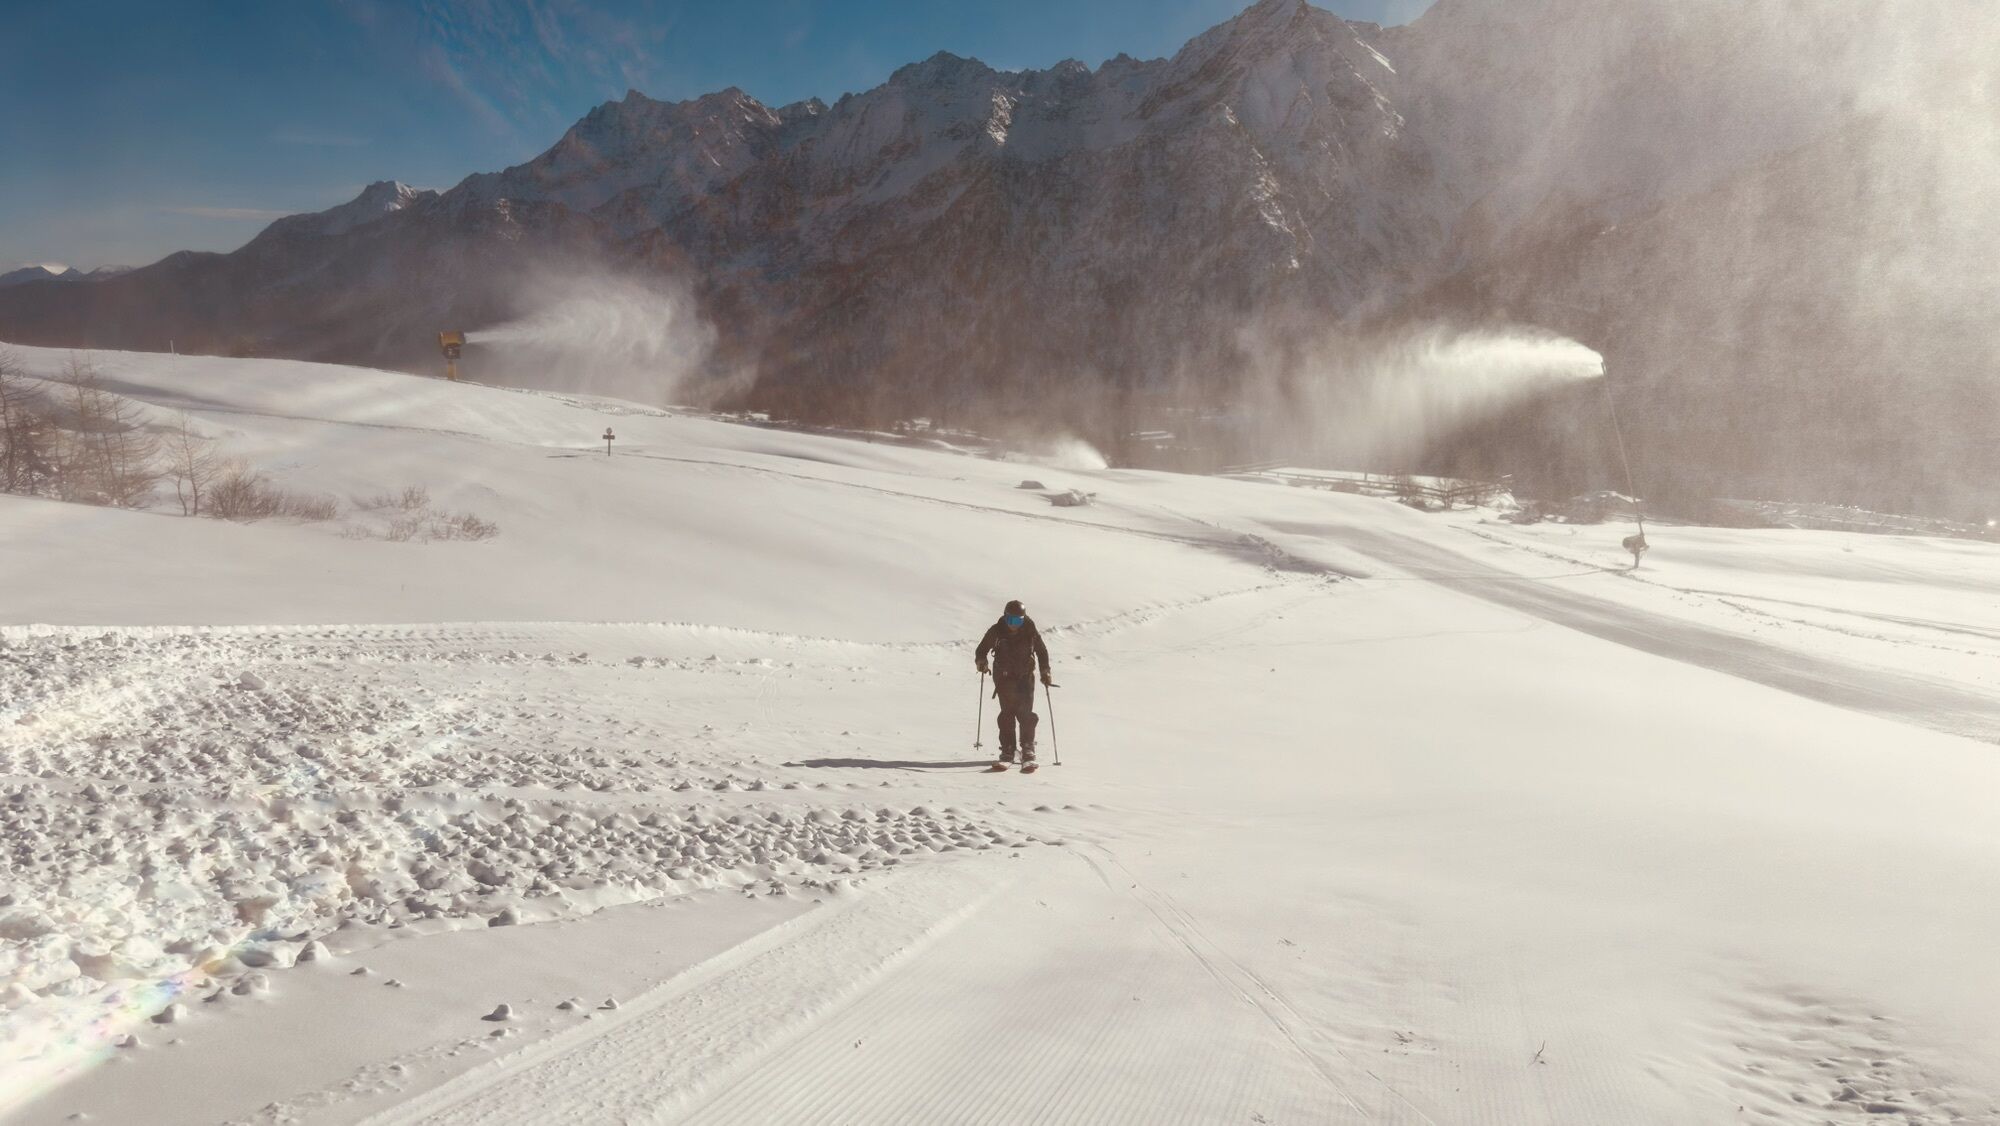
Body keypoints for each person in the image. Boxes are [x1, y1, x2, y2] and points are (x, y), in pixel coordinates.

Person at [974, 599, 1052, 767]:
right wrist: (981, 661)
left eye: (1018, 621)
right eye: (1010, 620)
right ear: (1005, 617)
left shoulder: (1030, 630)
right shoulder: (996, 631)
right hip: (1004, 677)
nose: (1013, 625)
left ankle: (1027, 748)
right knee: (1007, 713)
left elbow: (1042, 651)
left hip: (1025, 677)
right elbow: (981, 649)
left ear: (1023, 619)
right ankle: (1008, 749)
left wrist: (1045, 671)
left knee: (1025, 713)